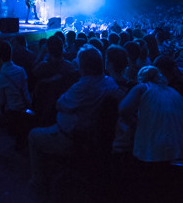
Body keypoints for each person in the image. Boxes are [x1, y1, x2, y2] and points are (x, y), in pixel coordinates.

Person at [28, 45, 122, 192]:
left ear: (84, 67)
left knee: (33, 135)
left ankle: (38, 182)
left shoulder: (82, 87)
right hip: (91, 135)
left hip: (70, 137)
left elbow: (60, 104)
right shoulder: (109, 82)